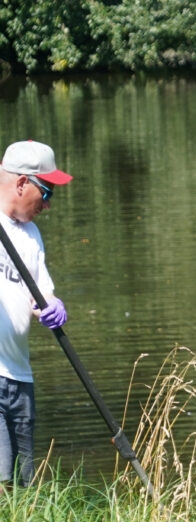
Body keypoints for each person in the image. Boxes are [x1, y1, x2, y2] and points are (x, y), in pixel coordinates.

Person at [0, 140, 72, 486]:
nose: (47, 204)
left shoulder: (30, 236)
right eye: (47, 192)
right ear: (21, 183)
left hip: (20, 378)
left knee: (24, 487)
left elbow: (41, 294)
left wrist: (52, 306)